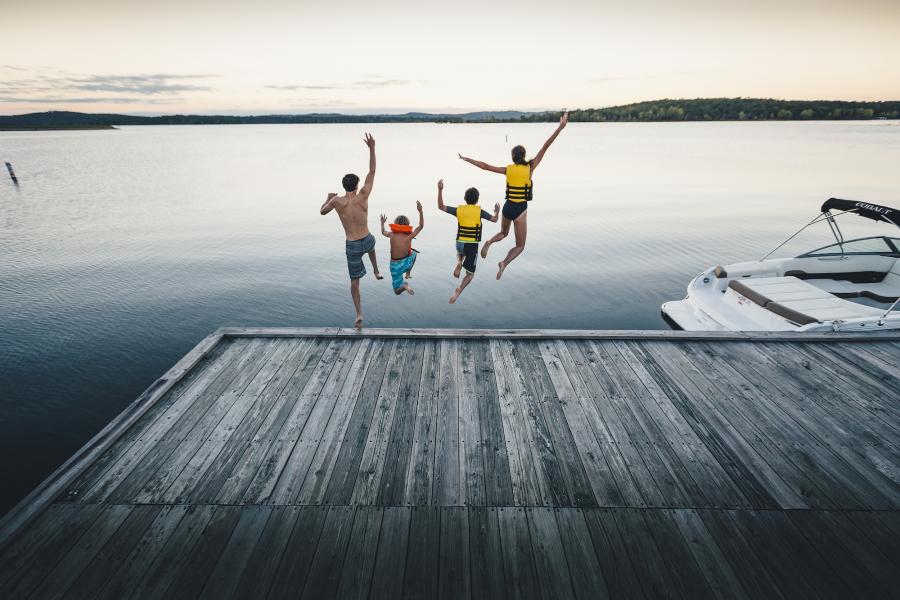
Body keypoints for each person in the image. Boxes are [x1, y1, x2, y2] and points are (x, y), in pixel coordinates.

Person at [458, 111, 568, 280]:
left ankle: (488, 242)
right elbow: (546, 145)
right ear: (523, 156)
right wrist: (560, 128)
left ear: (513, 157)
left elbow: (486, 166)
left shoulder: (508, 170)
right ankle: (503, 263)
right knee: (520, 245)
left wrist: (468, 159)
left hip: (507, 207)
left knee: (503, 233)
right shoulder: (530, 167)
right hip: (520, 210)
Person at [320, 133, 383, 328]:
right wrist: (372, 148)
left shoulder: (337, 202)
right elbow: (372, 171)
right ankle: (375, 270)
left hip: (353, 244)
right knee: (372, 245)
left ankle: (358, 315)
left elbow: (322, 212)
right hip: (366, 238)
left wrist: (328, 197)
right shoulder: (363, 195)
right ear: (357, 185)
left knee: (354, 282)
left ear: (343, 186)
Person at [436, 179, 499, 303]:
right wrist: (497, 211)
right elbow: (494, 219)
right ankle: (459, 289)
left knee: (461, 252)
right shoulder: (479, 211)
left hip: (459, 244)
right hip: (471, 246)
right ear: (477, 199)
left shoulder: (459, 210)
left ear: (465, 198)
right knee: (470, 274)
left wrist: (440, 189)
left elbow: (440, 206)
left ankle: (459, 262)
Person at [380, 201, 424, 295]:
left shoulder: (391, 235)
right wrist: (420, 211)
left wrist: (382, 223)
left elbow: (383, 231)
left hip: (395, 266)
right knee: (414, 253)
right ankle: (408, 273)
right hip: (406, 264)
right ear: (407, 225)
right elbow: (421, 226)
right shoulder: (410, 236)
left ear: (395, 224)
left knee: (396, 291)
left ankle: (404, 286)